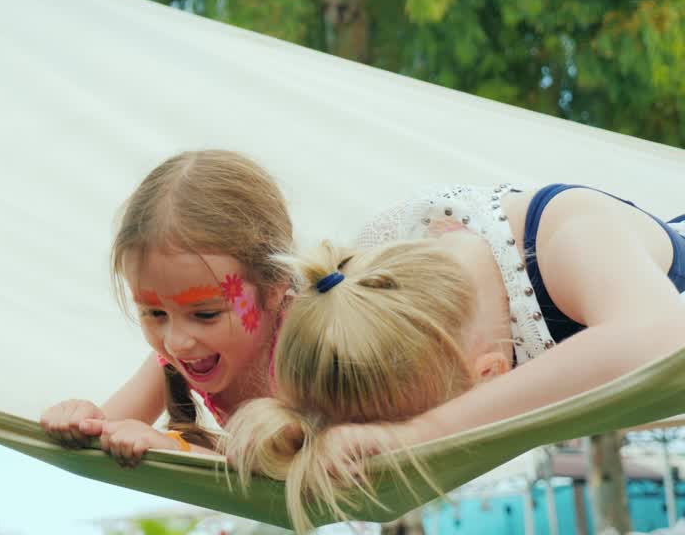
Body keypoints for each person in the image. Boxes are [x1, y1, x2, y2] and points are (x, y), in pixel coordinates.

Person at [224, 184, 685, 533]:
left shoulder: (567, 233)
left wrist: (425, 431)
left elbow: (663, 341)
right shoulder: (358, 311)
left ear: (489, 375)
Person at [39, 149, 294, 466]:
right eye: (155, 313)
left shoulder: (308, 347)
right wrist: (79, 421)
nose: (176, 341)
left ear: (274, 288)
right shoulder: (181, 353)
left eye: (205, 314)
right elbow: (104, 435)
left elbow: (297, 469)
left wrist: (177, 449)